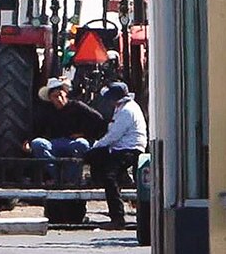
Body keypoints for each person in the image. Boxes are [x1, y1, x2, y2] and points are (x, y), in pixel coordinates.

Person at [85, 82, 147, 229]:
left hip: (129, 149)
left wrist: (96, 145)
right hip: (121, 147)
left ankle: (117, 217)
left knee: (109, 177)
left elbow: (114, 135)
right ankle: (122, 178)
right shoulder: (122, 108)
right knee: (98, 159)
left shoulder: (126, 111)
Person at [26, 77, 105, 181]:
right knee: (37, 143)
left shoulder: (77, 106)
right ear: (50, 98)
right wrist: (28, 141)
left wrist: (84, 134)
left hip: (73, 142)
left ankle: (71, 180)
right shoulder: (46, 111)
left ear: (65, 94)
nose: (58, 99)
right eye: (55, 96)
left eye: (60, 95)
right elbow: (37, 128)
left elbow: (99, 121)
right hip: (55, 143)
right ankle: (56, 176)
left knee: (82, 144)